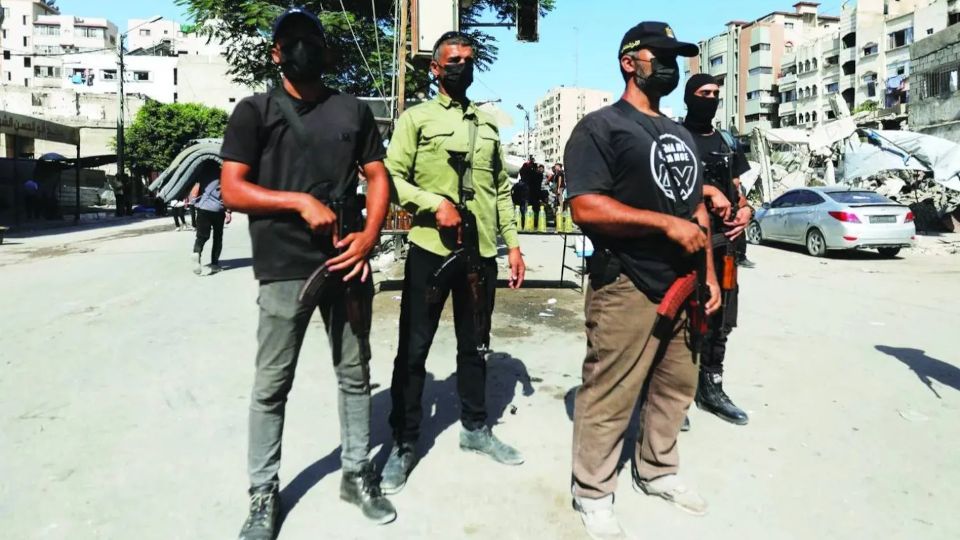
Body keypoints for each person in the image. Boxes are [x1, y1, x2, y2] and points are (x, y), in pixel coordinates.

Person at [219, 8, 396, 539]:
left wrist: (370, 236)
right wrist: (297, 201)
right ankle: (262, 494)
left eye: (311, 40)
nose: (303, 49)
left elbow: (377, 174)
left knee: (355, 373)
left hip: (347, 259)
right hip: (283, 267)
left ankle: (356, 473)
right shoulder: (254, 110)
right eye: (291, 42)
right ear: (276, 53)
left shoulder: (351, 109)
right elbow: (232, 188)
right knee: (272, 385)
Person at [564, 22, 721, 538]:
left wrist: (709, 275)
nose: (672, 65)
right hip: (626, 282)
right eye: (662, 55)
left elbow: (694, 205)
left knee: (677, 386)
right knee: (610, 392)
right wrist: (662, 224)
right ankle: (593, 491)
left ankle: (657, 470)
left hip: (685, 283)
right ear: (630, 61)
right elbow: (586, 206)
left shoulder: (678, 132)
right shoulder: (600, 127)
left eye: (678, 56)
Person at [381, 30, 527, 494]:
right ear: (435, 68)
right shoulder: (416, 119)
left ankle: (475, 428)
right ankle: (403, 442)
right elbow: (390, 177)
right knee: (414, 349)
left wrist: (514, 244)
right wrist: (433, 203)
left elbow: (500, 188)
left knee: (476, 344)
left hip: (479, 254)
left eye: (468, 59)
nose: (462, 66)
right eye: (453, 59)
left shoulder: (486, 124)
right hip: (431, 249)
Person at [682, 73, 754, 426]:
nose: (710, 98)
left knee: (721, 319)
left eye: (715, 93)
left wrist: (747, 211)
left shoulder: (727, 141)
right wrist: (707, 192)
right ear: (688, 97)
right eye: (703, 93)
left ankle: (711, 387)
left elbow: (740, 190)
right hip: (687, 240)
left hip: (725, 244)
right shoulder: (676, 138)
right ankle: (672, 394)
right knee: (682, 316)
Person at [192, 163, 231, 276]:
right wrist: (228, 211)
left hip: (203, 208)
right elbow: (227, 193)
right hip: (218, 210)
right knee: (217, 237)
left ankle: (197, 254)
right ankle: (214, 264)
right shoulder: (224, 174)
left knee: (201, 236)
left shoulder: (202, 172)